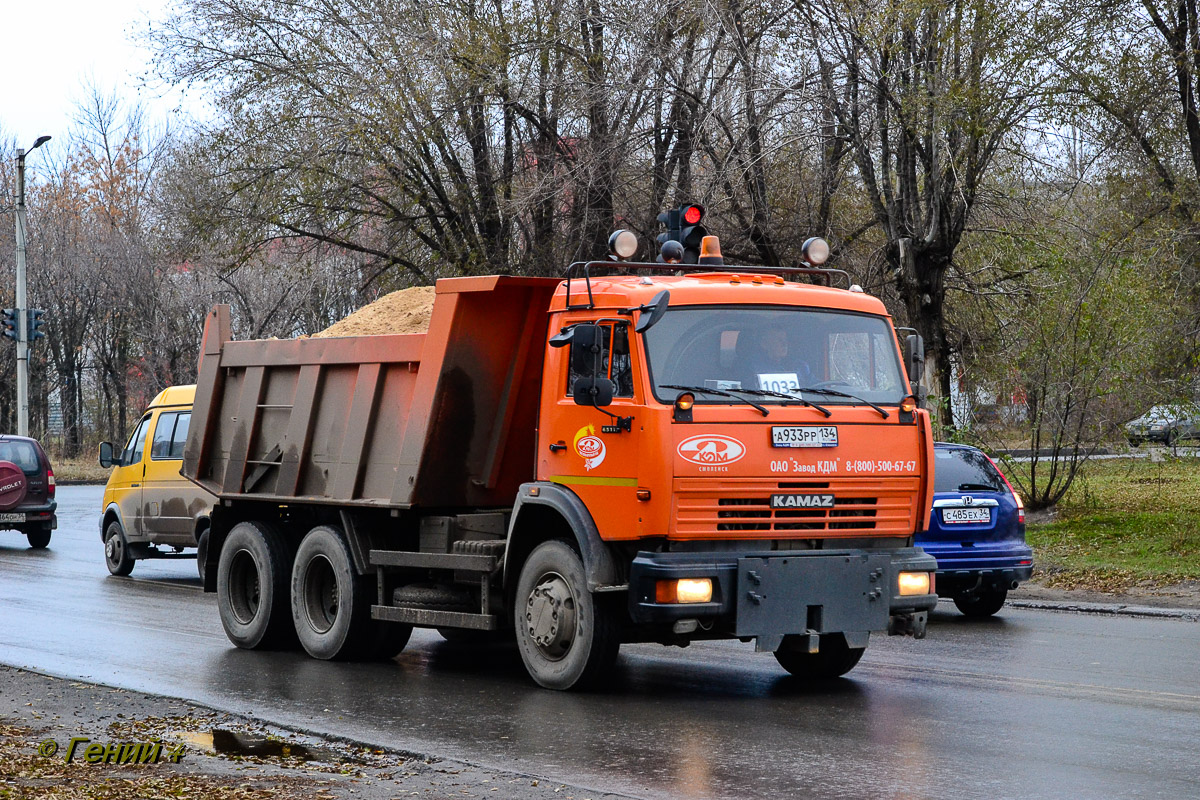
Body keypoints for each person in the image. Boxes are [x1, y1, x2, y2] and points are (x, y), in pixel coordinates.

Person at [749, 328, 813, 391]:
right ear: (764, 344)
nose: (784, 344)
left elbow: (818, 385)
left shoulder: (800, 366)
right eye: (779, 340)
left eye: (785, 340)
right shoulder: (754, 368)